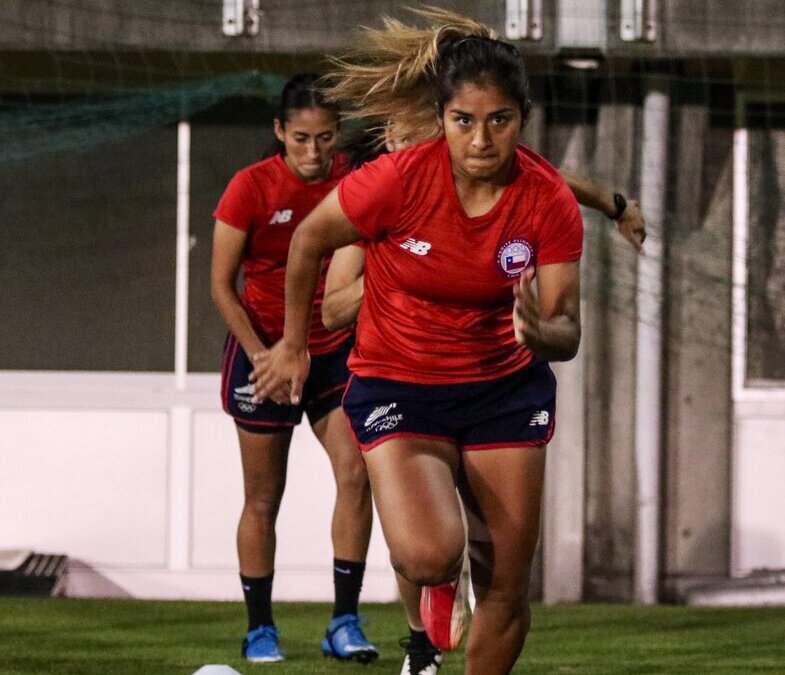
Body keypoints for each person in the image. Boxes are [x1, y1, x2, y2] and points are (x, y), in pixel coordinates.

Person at [252, 10, 591, 674]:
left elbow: (567, 328)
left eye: (499, 120)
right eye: (465, 120)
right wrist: (295, 343)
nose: (482, 137)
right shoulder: (398, 180)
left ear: (522, 119)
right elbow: (307, 241)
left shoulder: (547, 199)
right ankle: (436, 585)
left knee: (507, 588)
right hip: (400, 383)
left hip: (504, 391)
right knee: (428, 552)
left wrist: (544, 330)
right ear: (442, 119)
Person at [209, 73, 378, 664]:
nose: (313, 152)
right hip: (264, 353)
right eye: (301, 138)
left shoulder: (355, 183)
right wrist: (265, 355)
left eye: (326, 138)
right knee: (263, 497)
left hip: (331, 350)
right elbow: (221, 286)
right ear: (280, 131)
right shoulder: (249, 187)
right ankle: (260, 629)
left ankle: (344, 622)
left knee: (356, 474)